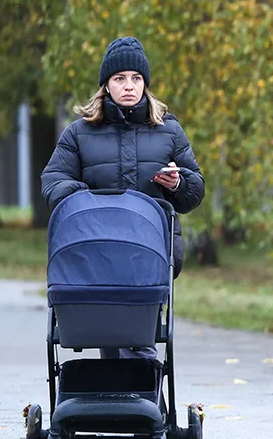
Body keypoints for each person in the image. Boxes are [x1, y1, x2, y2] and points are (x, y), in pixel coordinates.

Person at [41, 36, 205, 360]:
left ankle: (136, 392)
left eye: (136, 78)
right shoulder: (79, 132)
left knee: (137, 329)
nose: (129, 86)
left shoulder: (169, 131)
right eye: (120, 79)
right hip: (96, 246)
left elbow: (195, 189)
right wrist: (86, 199)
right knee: (108, 325)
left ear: (145, 83)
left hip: (150, 252)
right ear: (106, 85)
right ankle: (120, 393)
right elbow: (53, 181)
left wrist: (176, 183)